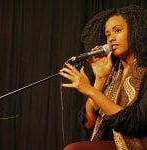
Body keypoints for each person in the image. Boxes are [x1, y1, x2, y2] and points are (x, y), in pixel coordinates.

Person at [59, 4, 147, 150]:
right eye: (107, 35)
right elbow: (89, 122)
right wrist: (100, 79)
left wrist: (90, 91)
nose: (111, 39)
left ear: (135, 32)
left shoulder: (144, 72)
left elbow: (136, 123)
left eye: (117, 31)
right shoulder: (113, 71)